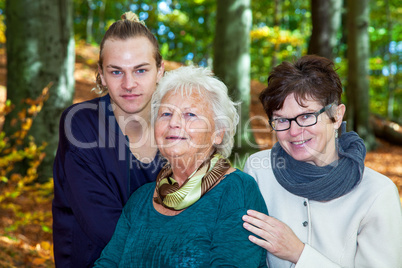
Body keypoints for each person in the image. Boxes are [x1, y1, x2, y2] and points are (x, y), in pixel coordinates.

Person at [93, 66, 268, 267]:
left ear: (218, 133)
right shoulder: (140, 199)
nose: (174, 123)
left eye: (190, 114)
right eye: (166, 114)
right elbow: (107, 263)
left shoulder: (237, 190)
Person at [242, 55, 402, 267]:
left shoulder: (376, 194)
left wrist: (299, 254)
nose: (294, 131)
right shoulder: (258, 172)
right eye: (281, 120)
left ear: (336, 116)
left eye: (307, 116)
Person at [52, 12, 165, 267]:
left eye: (141, 70)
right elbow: (106, 229)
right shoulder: (81, 125)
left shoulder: (176, 125)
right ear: (101, 75)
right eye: (116, 72)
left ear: (160, 70)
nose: (129, 84)